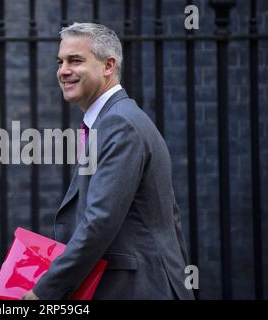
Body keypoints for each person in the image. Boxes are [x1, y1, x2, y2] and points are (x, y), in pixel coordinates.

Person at [22, 22, 194, 300]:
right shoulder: (113, 120)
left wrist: (45, 291)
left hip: (141, 290)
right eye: (60, 61)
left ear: (108, 66)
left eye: (75, 60)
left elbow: (99, 222)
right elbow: (169, 217)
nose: (63, 70)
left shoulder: (119, 123)